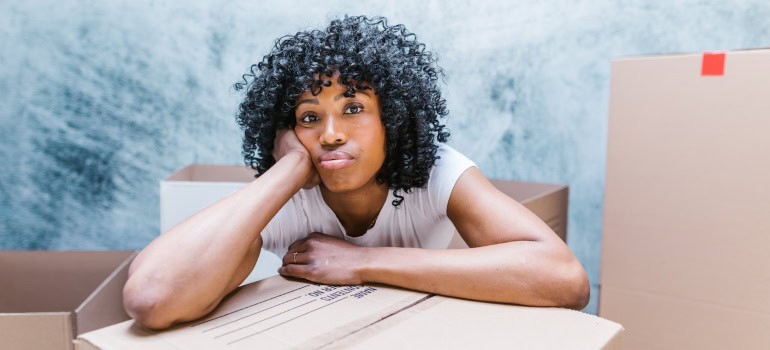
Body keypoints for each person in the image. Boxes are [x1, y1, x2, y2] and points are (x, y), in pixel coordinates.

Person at [123, 15, 589, 330]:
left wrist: (360, 261)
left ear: (393, 117)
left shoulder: (437, 171)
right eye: (308, 117)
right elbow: (152, 298)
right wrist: (286, 170)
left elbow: (565, 280)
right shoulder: (286, 191)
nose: (329, 134)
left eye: (353, 108)